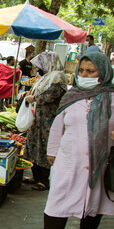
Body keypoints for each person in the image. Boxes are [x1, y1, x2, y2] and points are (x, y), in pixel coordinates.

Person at [39, 51, 114, 229]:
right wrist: (52, 151)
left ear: (102, 72)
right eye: (82, 70)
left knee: (96, 199)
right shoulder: (71, 95)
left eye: (91, 71)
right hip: (68, 161)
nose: (85, 74)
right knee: (57, 201)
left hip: (103, 161)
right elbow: (58, 126)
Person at [20, 52, 68, 191]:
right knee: (34, 146)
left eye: (40, 66)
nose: (38, 69)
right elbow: (38, 93)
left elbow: (48, 97)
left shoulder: (58, 79)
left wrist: (34, 99)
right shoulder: (46, 77)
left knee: (44, 147)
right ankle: (35, 176)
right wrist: (29, 95)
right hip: (38, 119)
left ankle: (44, 180)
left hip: (48, 121)